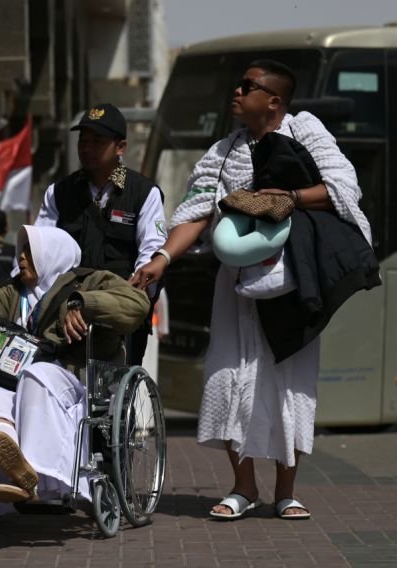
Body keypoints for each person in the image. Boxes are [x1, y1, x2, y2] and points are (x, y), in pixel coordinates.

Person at [131, 60, 376, 521]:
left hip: (293, 278)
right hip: (237, 284)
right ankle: (243, 487)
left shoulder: (307, 131)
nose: (238, 91)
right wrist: (160, 259)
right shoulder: (223, 151)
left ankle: (286, 491)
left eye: (249, 86)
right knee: (229, 379)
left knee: (290, 382)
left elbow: (344, 187)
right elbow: (195, 212)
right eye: (240, 84)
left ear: (274, 101)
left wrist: (288, 198)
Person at [0, 225, 149, 527]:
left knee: (37, 375)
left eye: (29, 251)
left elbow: (136, 304)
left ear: (49, 254)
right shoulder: (14, 293)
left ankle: (33, 473)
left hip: (73, 380)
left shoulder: (91, 280)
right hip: (21, 381)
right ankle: (15, 466)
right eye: (21, 251)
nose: (21, 258)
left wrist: (84, 304)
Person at [33, 103, 166, 365]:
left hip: (117, 311)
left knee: (112, 395)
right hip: (65, 309)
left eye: (97, 141)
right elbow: (39, 250)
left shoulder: (143, 193)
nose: (87, 147)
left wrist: (116, 303)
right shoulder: (59, 192)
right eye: (83, 140)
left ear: (120, 147)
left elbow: (150, 254)